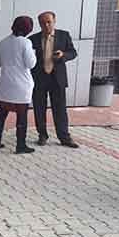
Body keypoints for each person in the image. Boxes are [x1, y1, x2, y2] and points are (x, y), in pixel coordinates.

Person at [30, 11, 79, 148]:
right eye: (42, 23)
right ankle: (42, 135)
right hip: (39, 78)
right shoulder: (33, 39)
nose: (46, 25)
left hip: (57, 78)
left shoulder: (64, 35)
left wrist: (63, 55)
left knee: (60, 109)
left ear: (54, 21)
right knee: (39, 108)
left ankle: (64, 137)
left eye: (49, 22)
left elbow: (73, 53)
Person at [0, 16, 37, 154]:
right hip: (22, 85)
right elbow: (31, 64)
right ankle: (21, 145)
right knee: (21, 116)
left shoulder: (3, 42)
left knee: (2, 113)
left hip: (6, 84)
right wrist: (33, 53)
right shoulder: (26, 42)